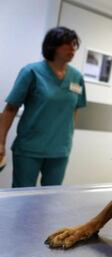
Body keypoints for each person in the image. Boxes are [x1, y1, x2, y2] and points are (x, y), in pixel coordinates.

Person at [0, 26, 86, 188]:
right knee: (22, 197)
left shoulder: (77, 77)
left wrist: (67, 137)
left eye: (74, 44)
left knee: (51, 199)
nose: (72, 48)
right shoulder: (31, 72)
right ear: (52, 46)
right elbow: (10, 109)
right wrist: (0, 142)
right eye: (66, 44)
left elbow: (74, 109)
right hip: (29, 148)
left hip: (60, 150)